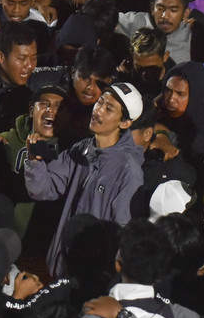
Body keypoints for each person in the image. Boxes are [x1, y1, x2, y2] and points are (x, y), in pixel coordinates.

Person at [25, 82, 145, 276]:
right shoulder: (81, 148)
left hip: (91, 274)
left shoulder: (129, 171)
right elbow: (42, 190)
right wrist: (35, 162)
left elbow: (122, 231)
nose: (98, 110)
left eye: (109, 108)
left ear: (124, 123)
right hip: (61, 265)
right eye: (100, 102)